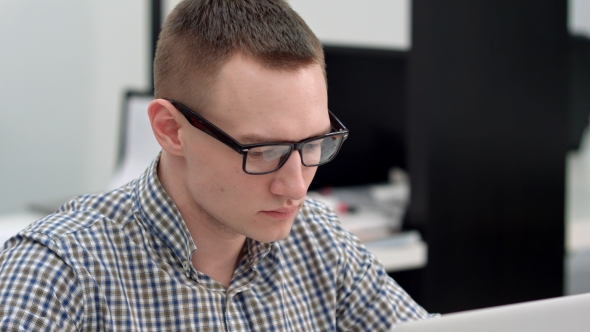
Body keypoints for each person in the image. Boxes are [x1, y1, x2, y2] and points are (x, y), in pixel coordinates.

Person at [0, 0, 432, 330]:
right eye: (264, 151)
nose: (296, 187)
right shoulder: (58, 272)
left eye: (314, 143)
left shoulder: (318, 240)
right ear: (171, 129)